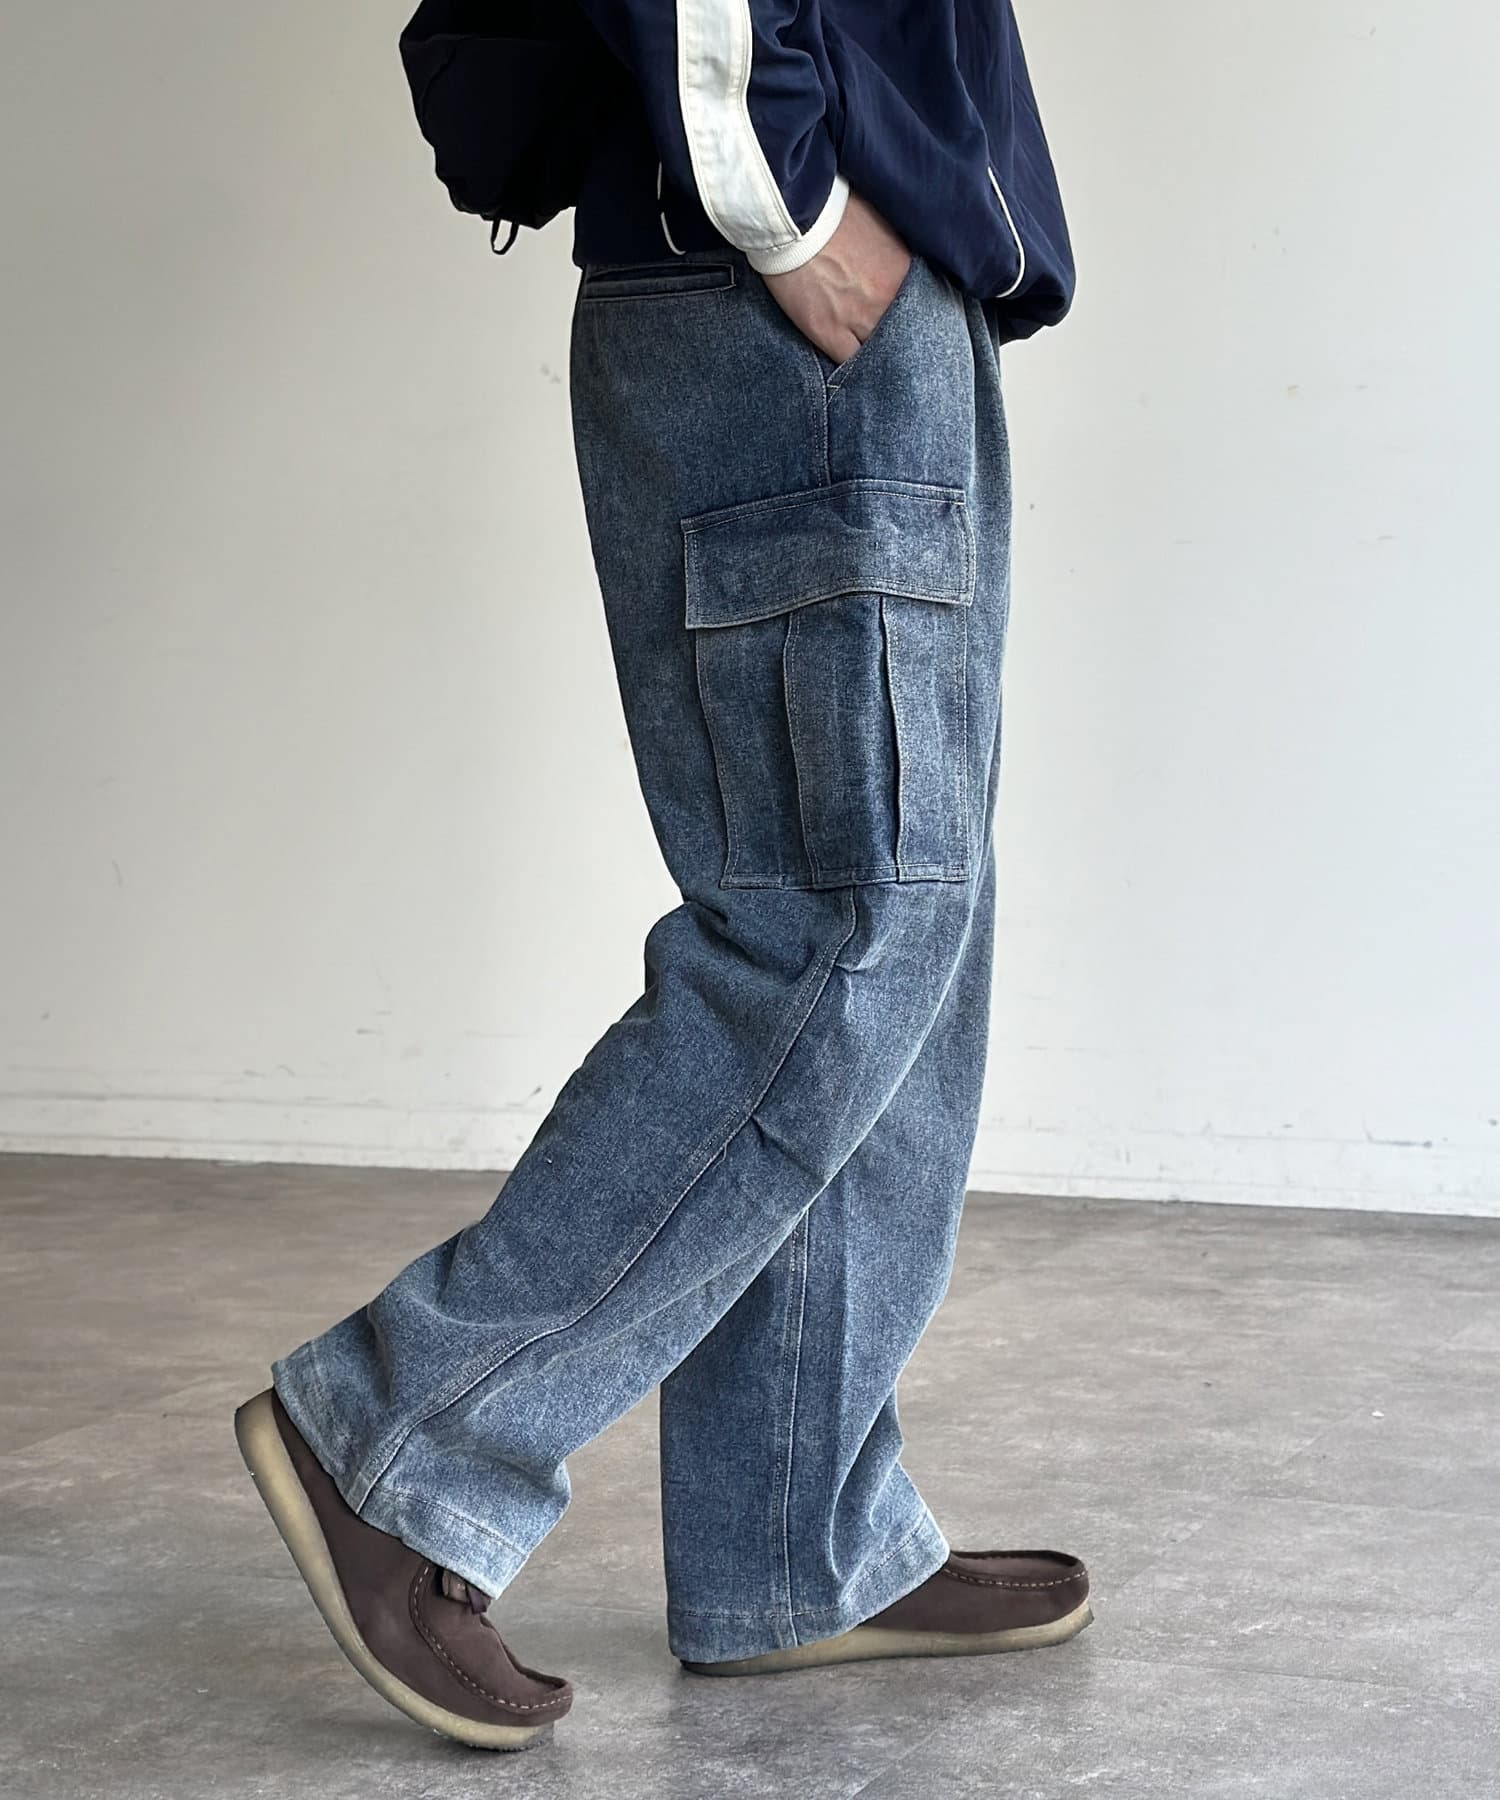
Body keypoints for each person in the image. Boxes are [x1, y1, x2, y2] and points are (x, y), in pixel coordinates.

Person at [235, 0, 1086, 1753]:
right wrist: (788, 202)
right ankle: (399, 1437)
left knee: (892, 935)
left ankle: (797, 1540)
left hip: (836, 306)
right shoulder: (787, 233)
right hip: (784, 307)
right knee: (837, 932)